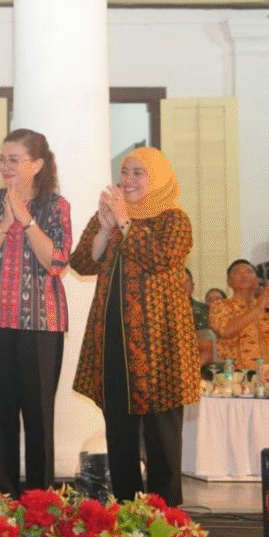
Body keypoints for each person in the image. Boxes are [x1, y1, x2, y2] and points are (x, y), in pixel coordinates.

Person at [72, 146, 199, 506]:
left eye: (138, 173)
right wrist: (105, 228)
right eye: (124, 172)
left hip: (160, 343)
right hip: (114, 340)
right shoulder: (111, 216)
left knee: (162, 436)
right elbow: (82, 262)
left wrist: (125, 222)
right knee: (120, 433)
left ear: (156, 177)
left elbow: (159, 258)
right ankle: (126, 513)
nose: (127, 181)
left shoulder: (173, 219)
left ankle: (166, 516)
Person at [0, 128, 71, 496]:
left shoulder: (55, 206)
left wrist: (25, 221)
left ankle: (41, 500)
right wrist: (3, 224)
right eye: (2, 159)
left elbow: (55, 261)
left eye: (15, 159)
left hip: (40, 325)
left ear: (37, 164)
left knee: (39, 415)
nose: (6, 166)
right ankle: (5, 497)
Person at [210, 259, 269, 369]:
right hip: (239, 376)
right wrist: (258, 308)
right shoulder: (220, 306)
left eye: (249, 272)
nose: (244, 275)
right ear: (229, 281)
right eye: (238, 272)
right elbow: (225, 331)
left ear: (257, 280)